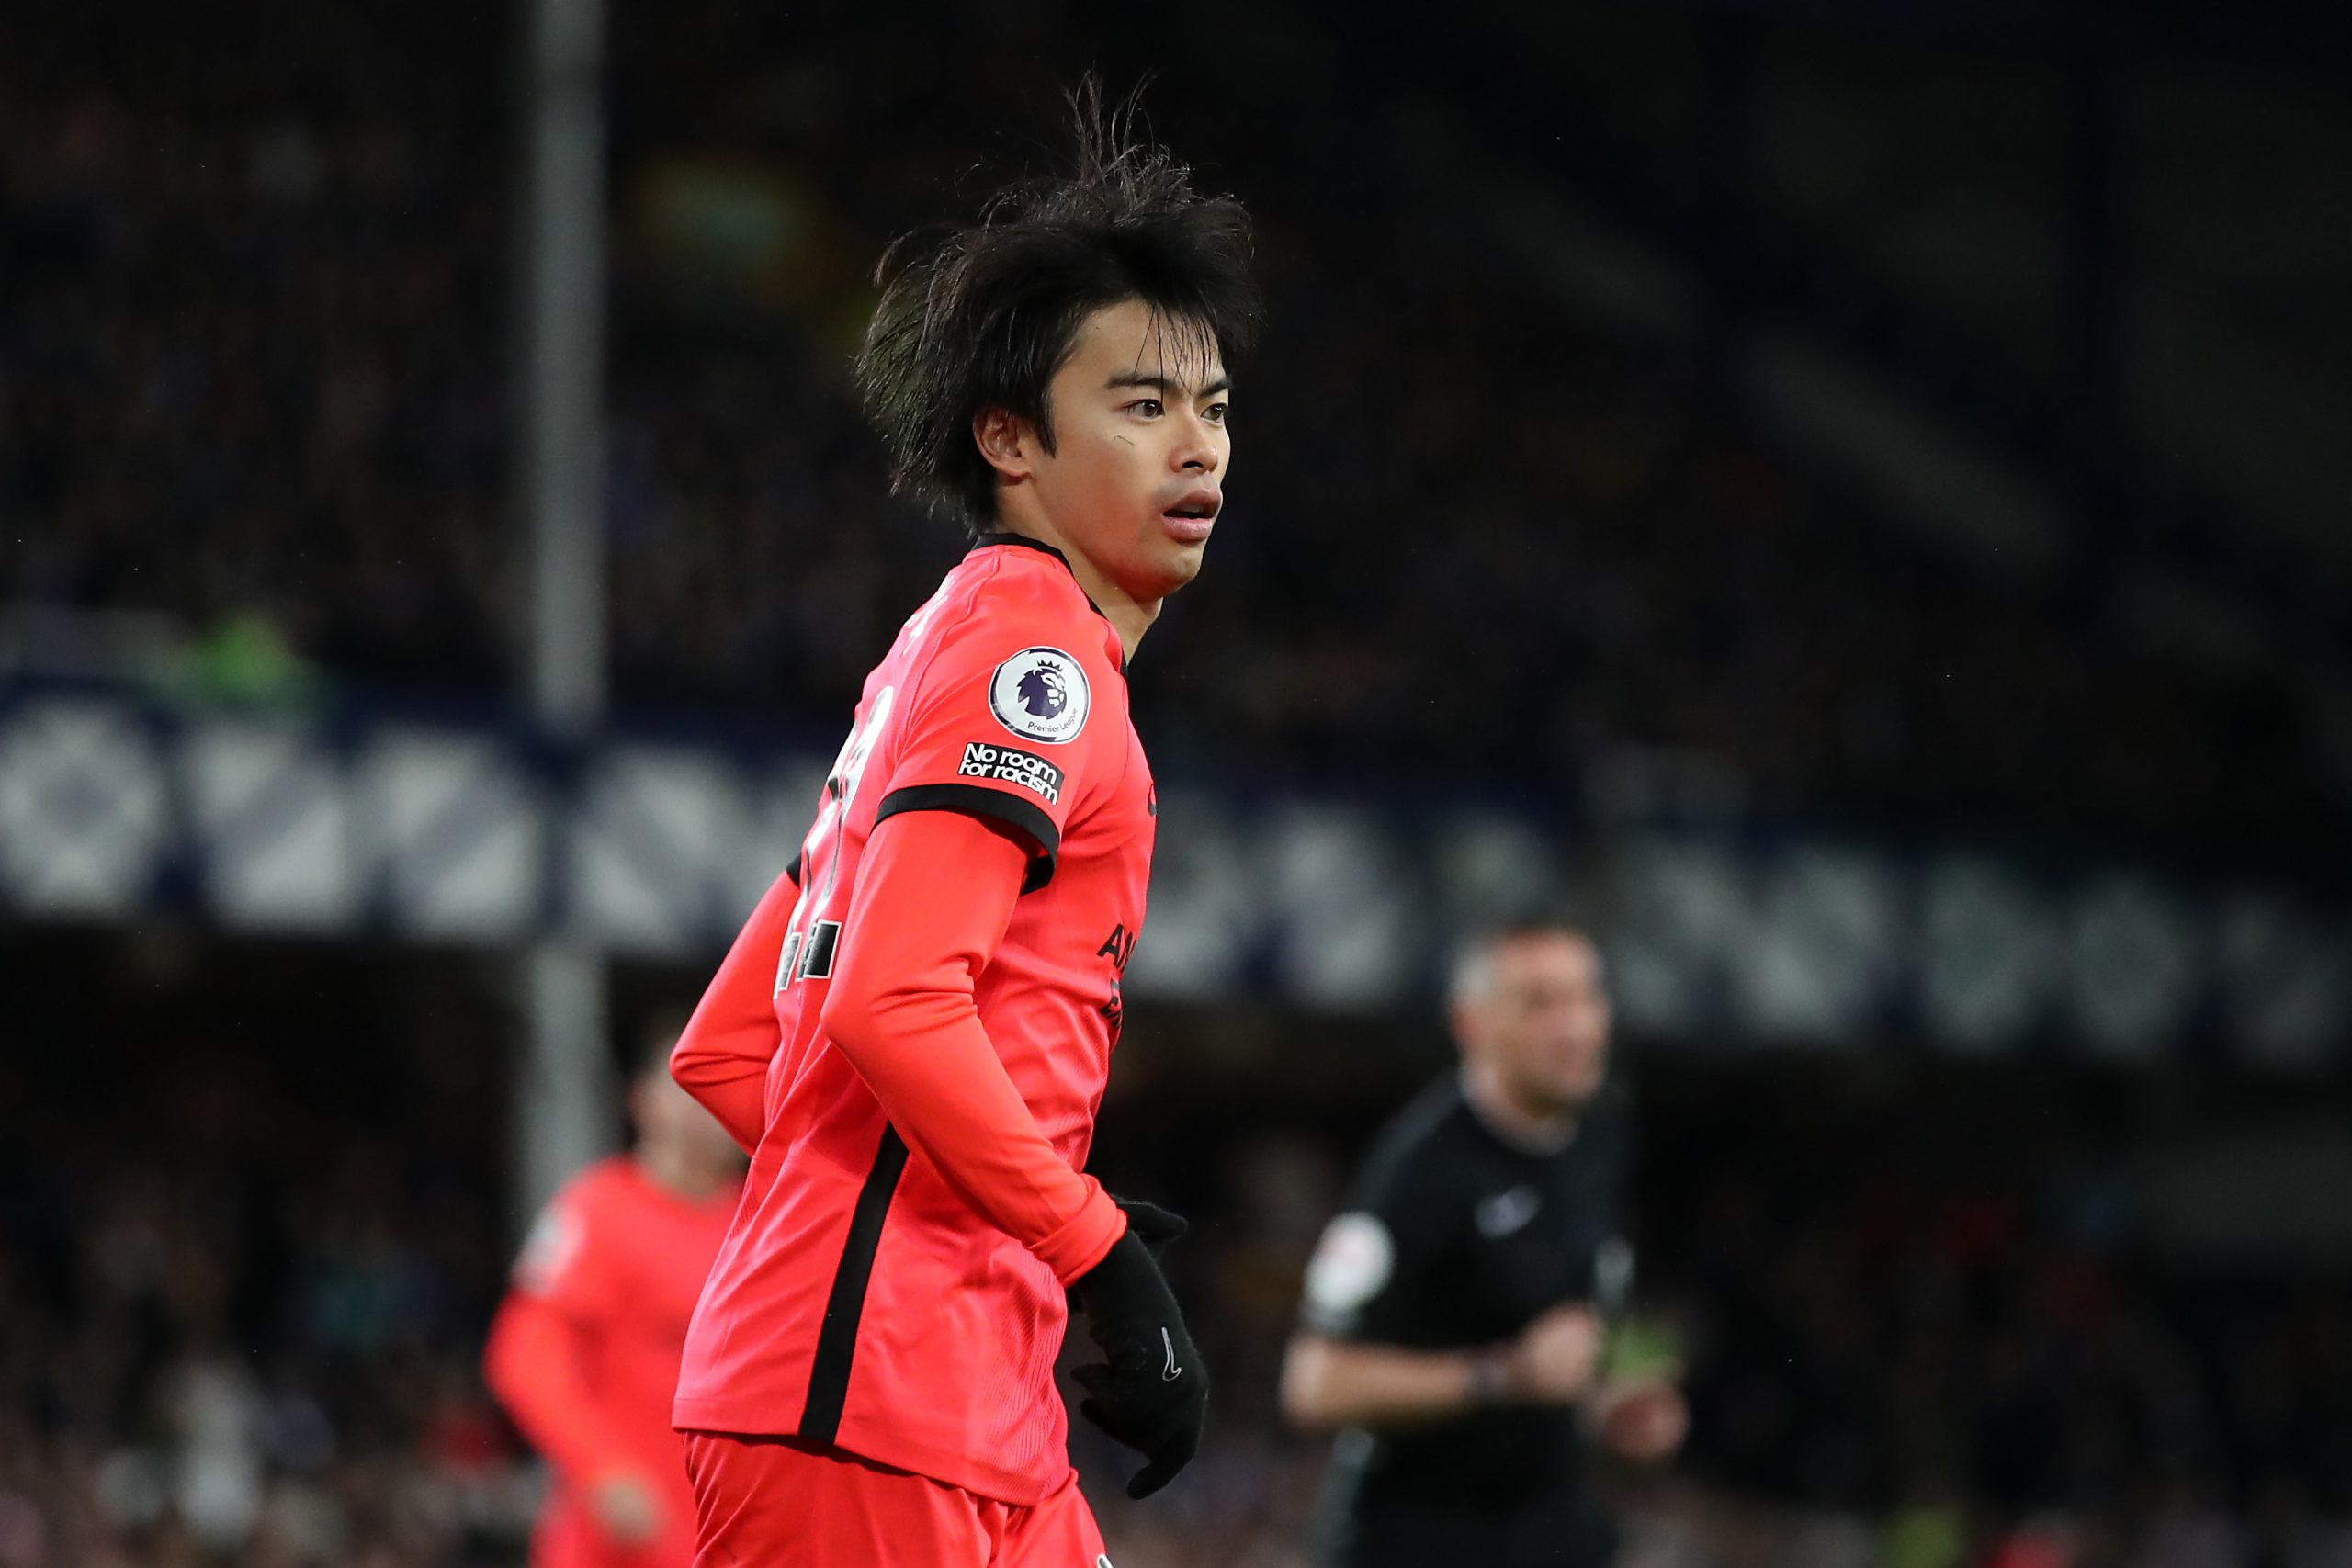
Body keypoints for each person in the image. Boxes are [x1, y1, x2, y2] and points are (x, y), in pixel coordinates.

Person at [662, 86, 1260, 1568]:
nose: (1199, 448)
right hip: (861, 1416)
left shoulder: (952, 650)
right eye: (1141, 405)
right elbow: (888, 998)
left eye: (1215, 405)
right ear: (1010, 438)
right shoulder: (1029, 658)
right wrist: (1091, 1246)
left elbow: (737, 1046)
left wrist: (997, 1201)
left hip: (956, 1410)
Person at [1281, 920, 1689, 1568]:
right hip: (1415, 1539)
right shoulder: (1419, 1172)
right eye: (1540, 1002)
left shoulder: (1600, 1132)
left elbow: (1573, 1333)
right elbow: (1315, 1385)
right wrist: (1502, 1375)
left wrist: (1612, 1405)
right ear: (1472, 1023)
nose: (1575, 1025)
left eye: (1587, 996)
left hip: (1551, 1528)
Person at [484, 1025, 748, 1568]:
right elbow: (526, 1354)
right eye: (687, 1084)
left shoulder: (766, 1227)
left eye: (728, 1083)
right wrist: (602, 1465)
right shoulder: (597, 1210)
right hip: (613, 1540)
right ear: (642, 1099)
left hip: (728, 1535)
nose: (706, 1105)